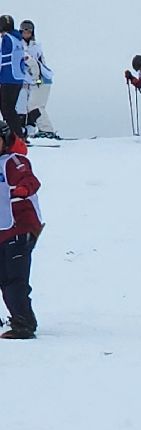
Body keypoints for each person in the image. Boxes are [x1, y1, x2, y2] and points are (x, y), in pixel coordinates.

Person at [0, 119, 41, 339]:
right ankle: (20, 316)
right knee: (5, 278)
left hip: (20, 227)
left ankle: (23, 324)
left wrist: (22, 189)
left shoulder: (14, 161)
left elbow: (30, 180)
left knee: (14, 278)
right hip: (3, 229)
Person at [18, 20, 56, 140]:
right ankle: (41, 129)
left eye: (29, 30)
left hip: (41, 80)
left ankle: (47, 130)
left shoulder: (34, 46)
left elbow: (35, 64)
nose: (27, 32)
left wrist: (36, 80)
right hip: (34, 80)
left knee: (35, 105)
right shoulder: (19, 44)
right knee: (32, 105)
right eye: (24, 29)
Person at [0, 16, 25, 138]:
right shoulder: (18, 39)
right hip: (17, 78)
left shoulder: (7, 39)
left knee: (6, 108)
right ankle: (16, 135)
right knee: (9, 108)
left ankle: (16, 137)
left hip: (8, 77)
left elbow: (3, 59)